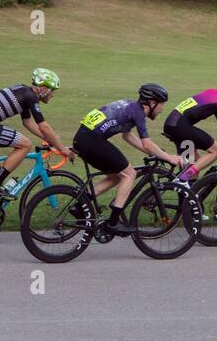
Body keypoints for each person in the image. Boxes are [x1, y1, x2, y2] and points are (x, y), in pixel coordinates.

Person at [71, 84, 189, 236]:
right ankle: (113, 222)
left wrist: (158, 153)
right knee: (129, 174)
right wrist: (169, 158)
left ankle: (80, 205)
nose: (162, 108)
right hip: (92, 141)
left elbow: (127, 135)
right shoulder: (138, 113)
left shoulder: (130, 105)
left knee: (116, 176)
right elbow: (146, 143)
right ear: (152, 103)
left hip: (82, 139)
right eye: (161, 104)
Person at [0, 69, 71, 192]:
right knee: (25, 145)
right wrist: (62, 148)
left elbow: (28, 122)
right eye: (52, 90)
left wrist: (50, 140)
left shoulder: (23, 91)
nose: (52, 95)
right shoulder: (30, 96)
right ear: (43, 88)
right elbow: (44, 127)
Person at [159, 74, 217, 176]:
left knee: (194, 163)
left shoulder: (213, 93)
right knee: (216, 151)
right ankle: (184, 178)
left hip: (171, 124)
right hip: (180, 127)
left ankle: (184, 186)